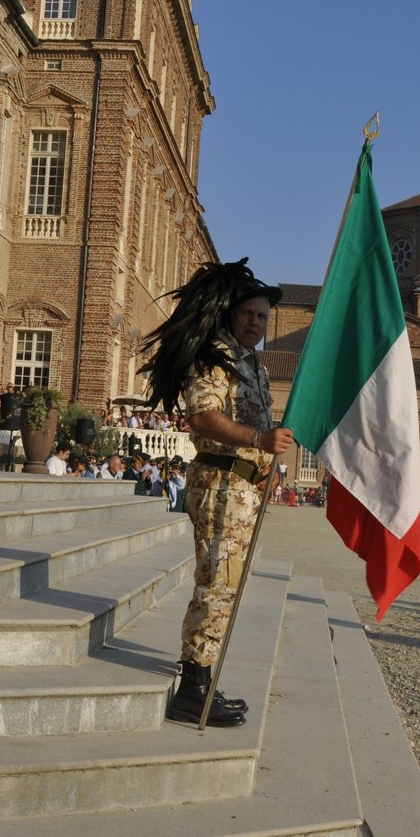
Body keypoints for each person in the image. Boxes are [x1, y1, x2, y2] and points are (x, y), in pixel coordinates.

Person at [139, 258, 293, 728]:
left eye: (262, 316)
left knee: (227, 586)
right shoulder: (213, 358)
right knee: (218, 584)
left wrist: (267, 466)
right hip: (222, 485)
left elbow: (258, 424)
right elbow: (203, 418)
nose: (255, 322)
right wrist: (256, 442)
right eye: (247, 313)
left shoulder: (253, 366)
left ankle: (201, 675)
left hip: (244, 486)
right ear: (230, 314)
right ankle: (193, 689)